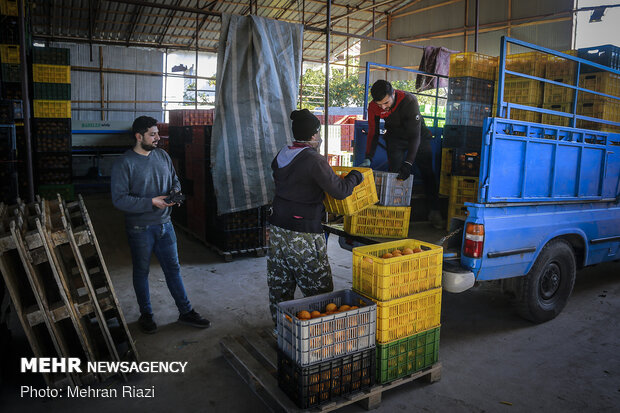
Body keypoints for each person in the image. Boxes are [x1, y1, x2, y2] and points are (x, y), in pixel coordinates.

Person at [111, 116, 210, 334]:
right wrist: (151, 202)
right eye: (152, 134)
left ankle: (185, 312)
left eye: (157, 133)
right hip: (140, 228)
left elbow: (175, 179)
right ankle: (146, 315)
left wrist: (175, 193)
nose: (158, 138)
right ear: (139, 136)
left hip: (166, 225)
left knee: (173, 269)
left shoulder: (162, 156)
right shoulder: (124, 163)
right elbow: (119, 199)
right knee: (141, 271)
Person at [267, 109, 364, 325]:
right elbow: (339, 190)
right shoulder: (312, 159)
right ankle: (317, 334)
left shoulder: (283, 153)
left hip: (277, 229)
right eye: (318, 134)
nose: (319, 138)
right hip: (303, 232)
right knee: (319, 288)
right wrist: (357, 176)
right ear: (313, 135)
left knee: (280, 284)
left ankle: (281, 328)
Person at [360, 80, 443, 228]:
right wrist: (368, 157)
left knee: (428, 173)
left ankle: (435, 211)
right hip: (395, 138)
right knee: (395, 175)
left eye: (386, 102)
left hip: (418, 136)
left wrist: (408, 163)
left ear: (393, 93)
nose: (383, 107)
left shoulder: (409, 101)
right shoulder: (373, 107)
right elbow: (373, 132)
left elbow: (415, 137)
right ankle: (395, 216)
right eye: (380, 105)